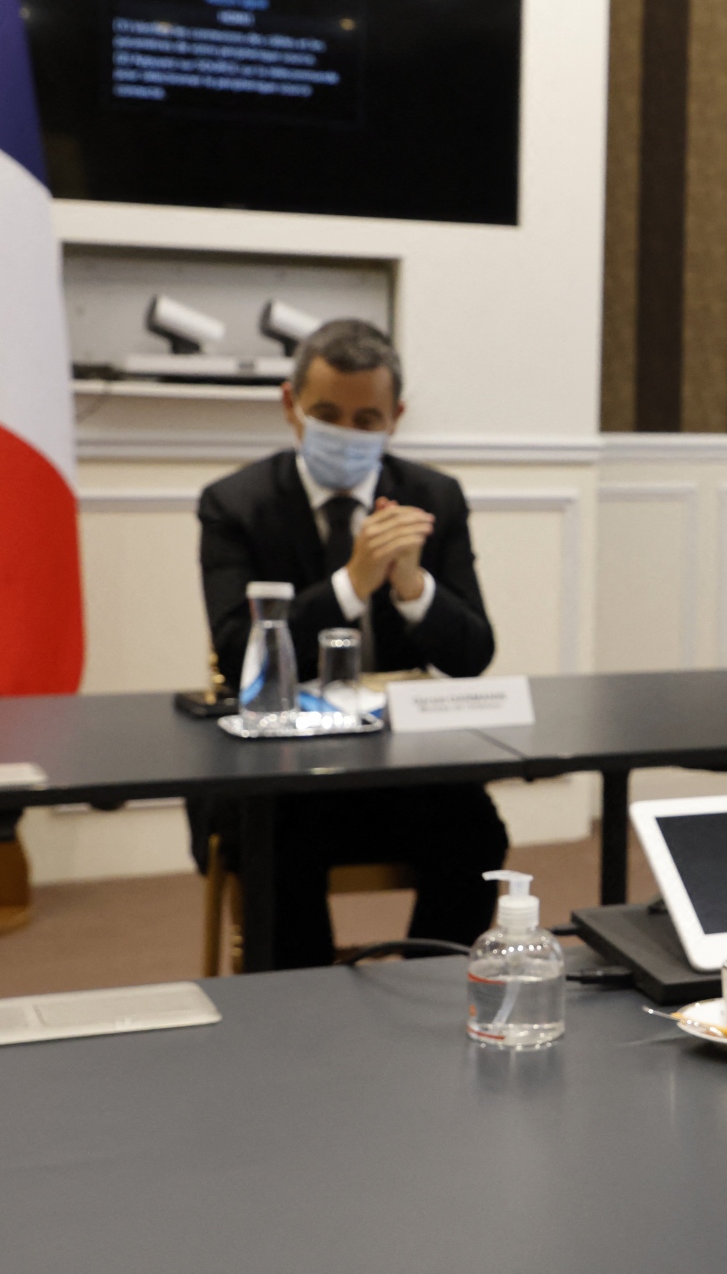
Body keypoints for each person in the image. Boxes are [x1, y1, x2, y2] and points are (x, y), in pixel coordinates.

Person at [188, 319, 508, 968]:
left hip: (398, 762)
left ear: (396, 418)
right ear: (290, 406)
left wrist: (414, 588)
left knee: (475, 835)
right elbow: (236, 653)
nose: (350, 433)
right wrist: (351, 585)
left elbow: (473, 655)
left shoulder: (431, 497)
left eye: (369, 419)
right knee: (275, 844)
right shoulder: (234, 504)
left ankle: (431, 991)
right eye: (329, 414)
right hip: (279, 772)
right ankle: (299, 1022)